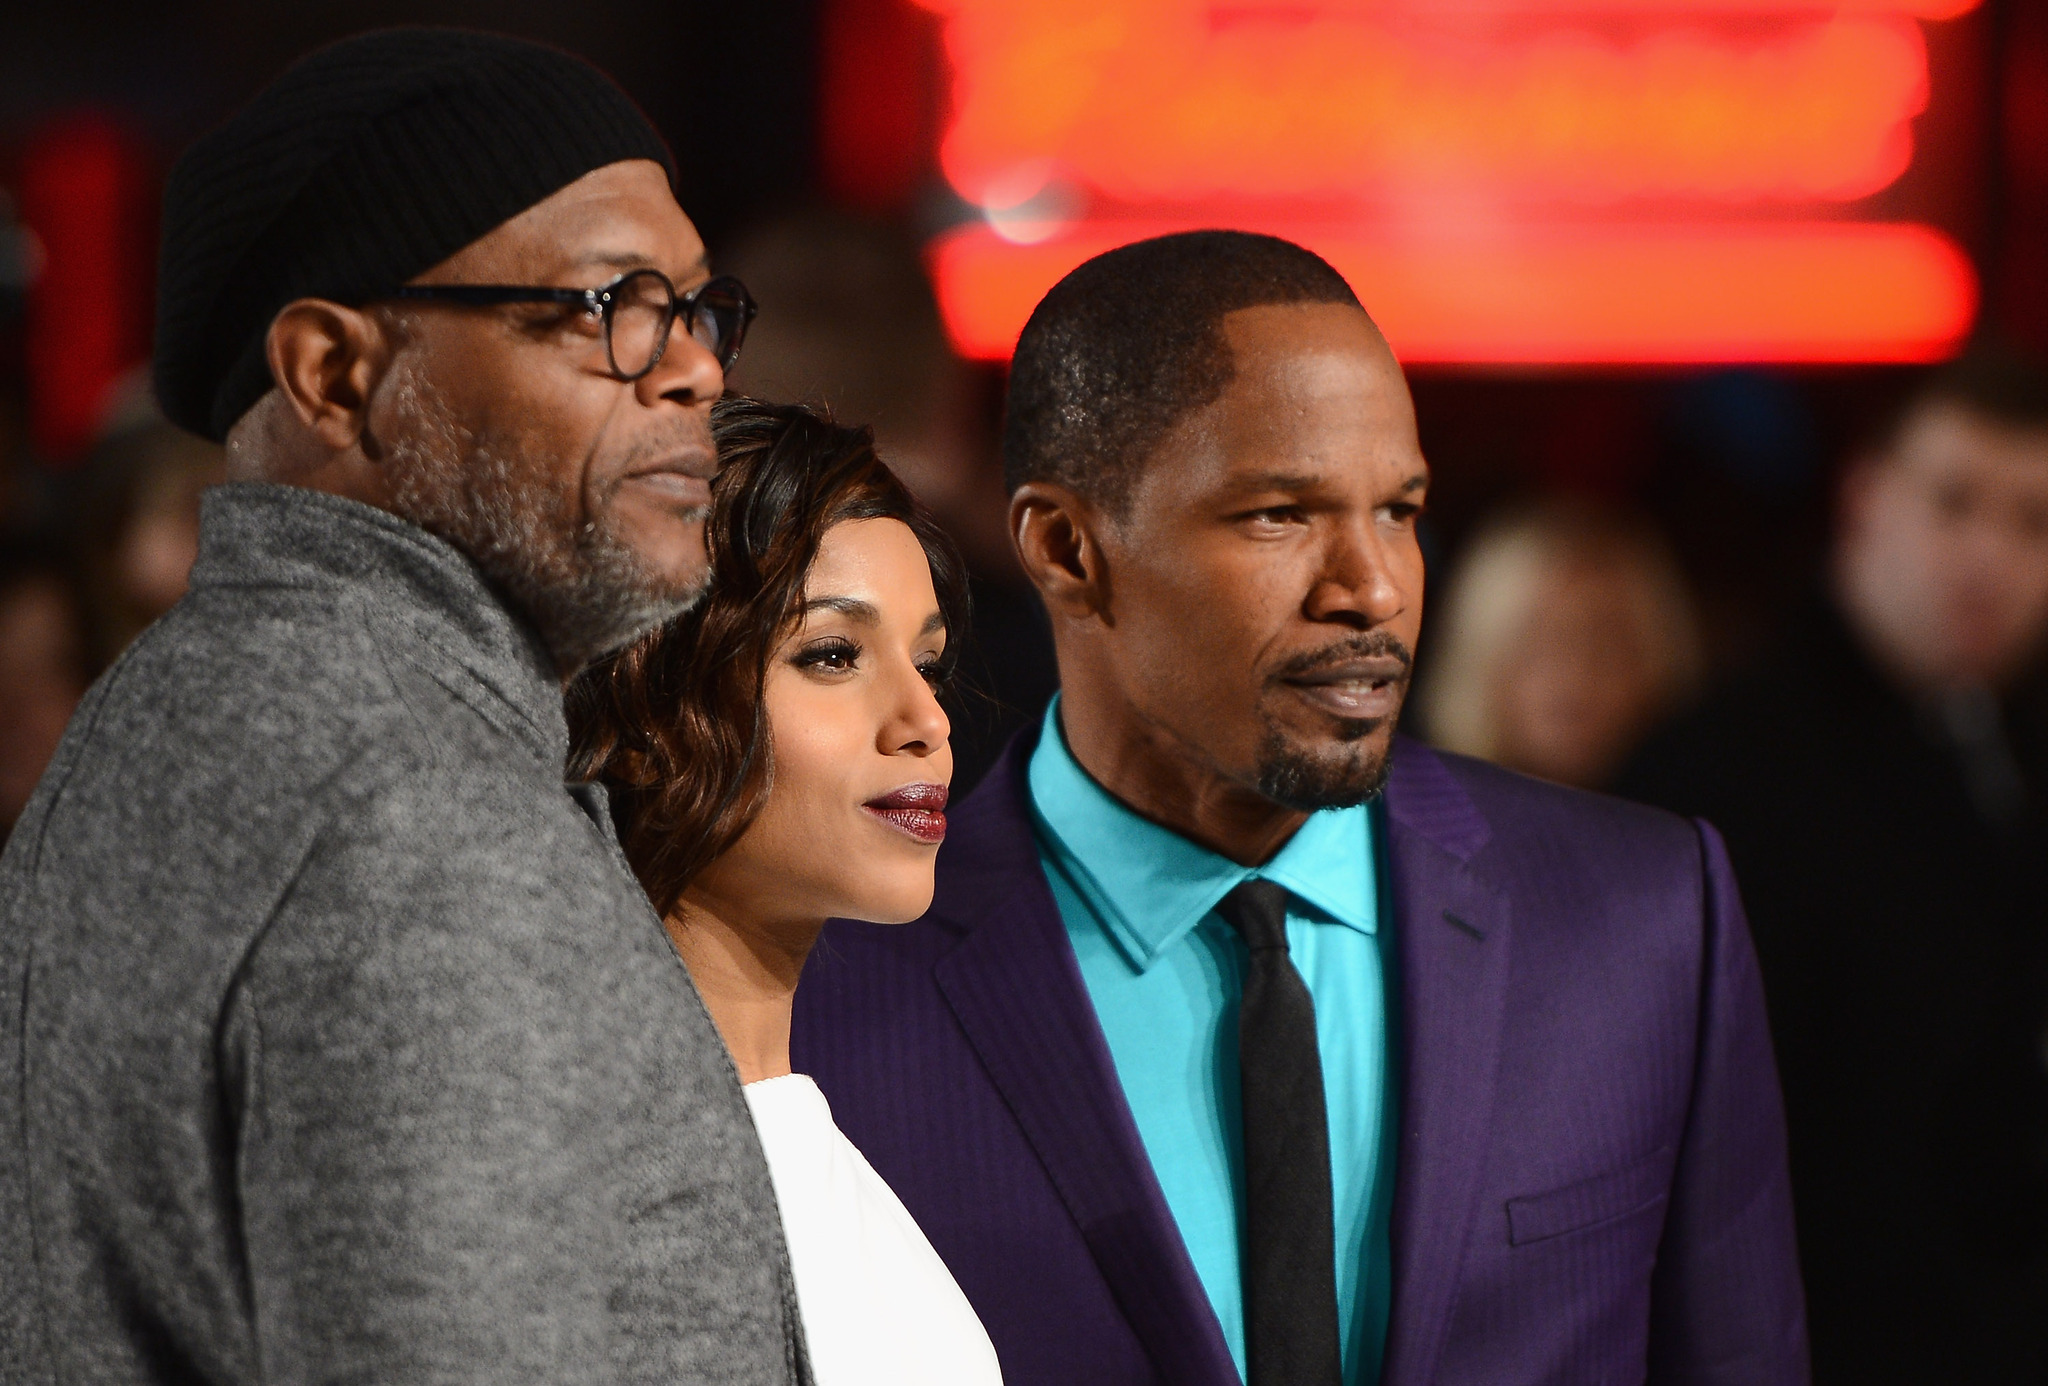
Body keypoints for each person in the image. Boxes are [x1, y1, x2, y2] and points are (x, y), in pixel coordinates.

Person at [791, 230, 1808, 1386]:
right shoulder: (831, 986)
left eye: (1399, 510)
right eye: (1280, 515)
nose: (1370, 586)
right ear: (1067, 549)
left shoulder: (1641, 916)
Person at [0, 30, 807, 1382]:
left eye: (697, 307)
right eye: (610, 304)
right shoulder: (413, 810)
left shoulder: (198, 709)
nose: (695, 372)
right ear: (334, 373)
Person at [1619, 345, 2048, 1384]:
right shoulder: (1712, 776)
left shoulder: (2001, 740)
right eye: (1953, 503)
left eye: (2032, 522)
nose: (1988, 555)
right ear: (1865, 501)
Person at [569, 397, 1002, 1386]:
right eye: (832, 656)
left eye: (926, 660)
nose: (926, 719)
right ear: (643, 707)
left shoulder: (820, 1151)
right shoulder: (577, 1190)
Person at [1418, 499, 1702, 789]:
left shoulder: (1691, 827)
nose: (1577, 675)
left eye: (1606, 648)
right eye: (1544, 641)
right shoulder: (1406, 820)